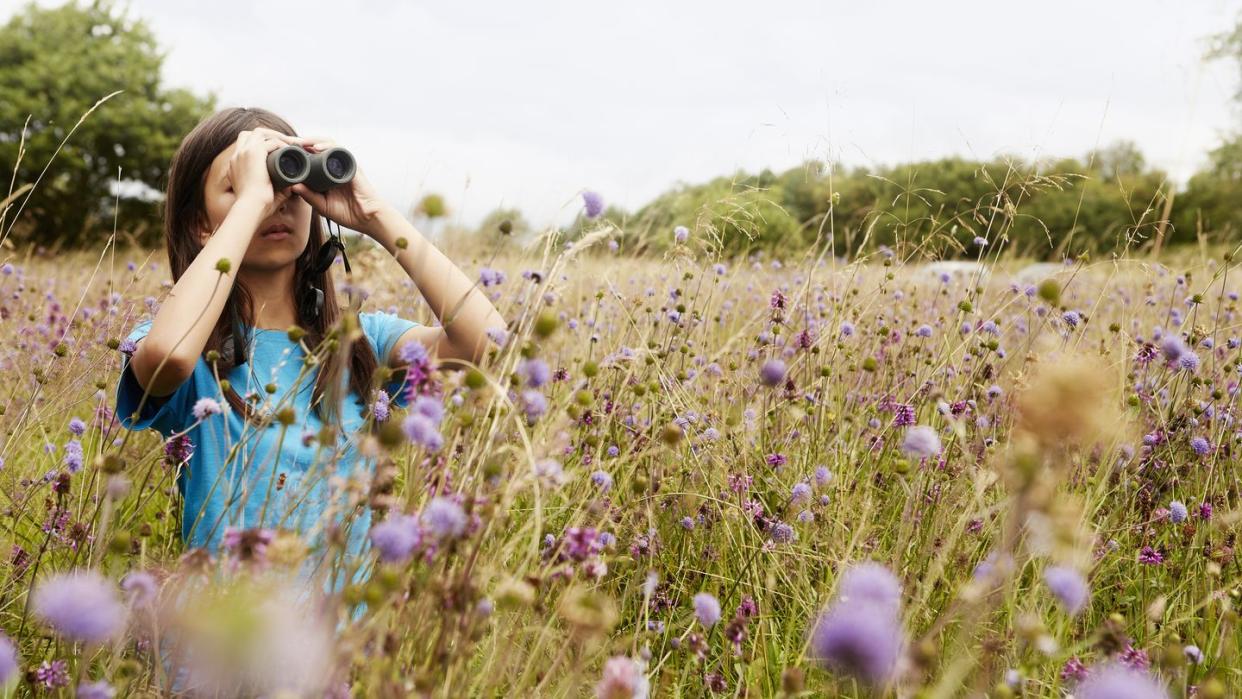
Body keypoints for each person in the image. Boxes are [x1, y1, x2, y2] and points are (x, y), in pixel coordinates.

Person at [114, 107, 505, 589]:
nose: (276, 202)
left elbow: (489, 344)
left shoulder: (362, 343)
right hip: (222, 647)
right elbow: (169, 357)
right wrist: (252, 201)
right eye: (239, 186)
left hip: (336, 652)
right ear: (201, 224)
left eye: (287, 182)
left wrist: (376, 216)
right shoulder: (187, 343)